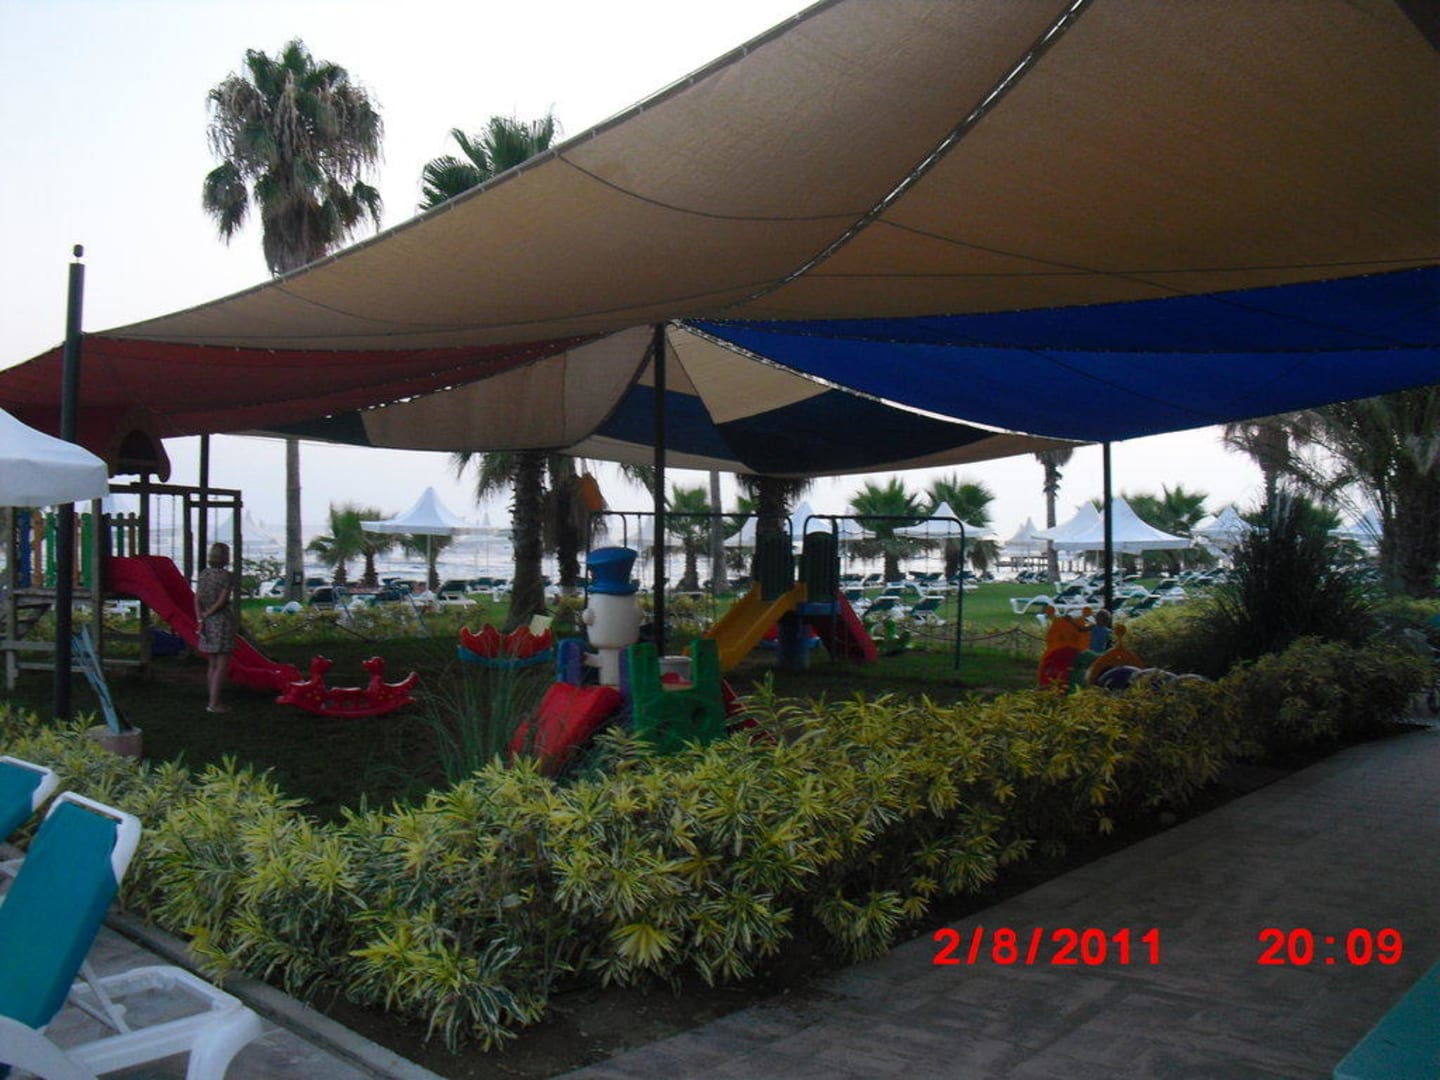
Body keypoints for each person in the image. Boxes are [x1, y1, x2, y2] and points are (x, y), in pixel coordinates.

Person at [195, 541, 236, 713]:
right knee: (222, 664)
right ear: (225, 557)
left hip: (206, 622)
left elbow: (197, 598)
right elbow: (222, 601)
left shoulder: (204, 574)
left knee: (212, 664)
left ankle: (211, 700)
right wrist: (209, 613)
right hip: (221, 620)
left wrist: (201, 617)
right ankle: (214, 703)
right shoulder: (227, 576)